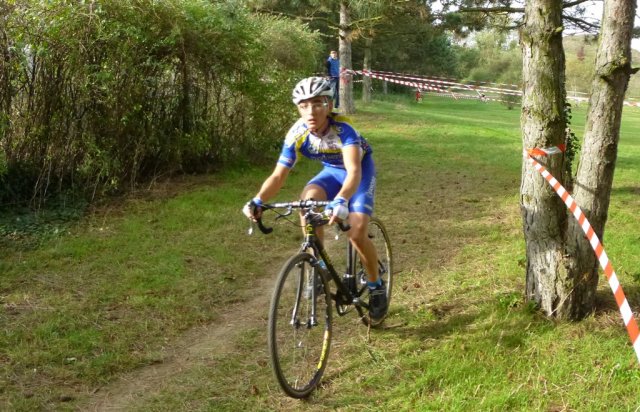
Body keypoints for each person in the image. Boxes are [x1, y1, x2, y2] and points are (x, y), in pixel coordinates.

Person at [242, 76, 387, 322]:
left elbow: (353, 172)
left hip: (358, 174)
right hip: (330, 173)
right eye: (304, 105)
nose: (311, 111)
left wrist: (341, 200)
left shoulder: (344, 131)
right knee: (307, 202)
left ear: (329, 105)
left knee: (356, 232)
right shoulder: (297, 133)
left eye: (318, 103)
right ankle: (319, 270)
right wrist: (257, 200)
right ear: (298, 108)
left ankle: (376, 286)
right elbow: (278, 176)